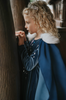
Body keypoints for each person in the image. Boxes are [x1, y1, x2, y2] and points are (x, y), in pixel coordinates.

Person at [15, 1, 66, 100]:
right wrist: (25, 41)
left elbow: (29, 65)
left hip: (35, 83)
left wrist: (21, 46)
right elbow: (31, 53)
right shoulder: (34, 39)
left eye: (28, 22)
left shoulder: (44, 44)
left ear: (38, 21)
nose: (25, 26)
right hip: (30, 79)